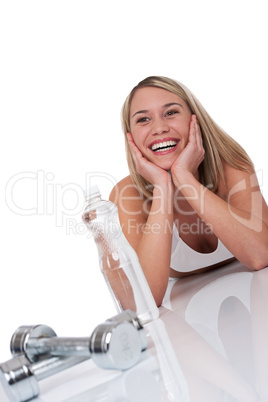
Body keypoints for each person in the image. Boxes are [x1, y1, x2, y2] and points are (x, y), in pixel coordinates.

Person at [109, 76, 268, 307]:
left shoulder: (231, 166)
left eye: (171, 112)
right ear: (130, 136)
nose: (160, 128)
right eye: (143, 119)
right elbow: (145, 299)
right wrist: (163, 186)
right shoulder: (126, 194)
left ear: (194, 120)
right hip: (182, 331)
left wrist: (185, 178)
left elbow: (261, 254)